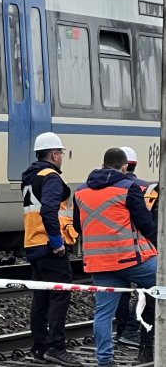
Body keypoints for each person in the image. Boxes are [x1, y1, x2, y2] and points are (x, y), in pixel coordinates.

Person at [74, 148, 158, 367]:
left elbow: (77, 226)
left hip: (99, 264)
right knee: (161, 286)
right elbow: (146, 225)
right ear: (124, 167)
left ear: (103, 164)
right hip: (132, 260)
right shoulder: (128, 188)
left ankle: (105, 361)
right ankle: (150, 346)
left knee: (102, 313)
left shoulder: (81, 191)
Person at [21, 132, 82, 367]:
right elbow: (49, 210)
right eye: (61, 153)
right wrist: (57, 242)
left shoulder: (30, 177)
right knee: (60, 293)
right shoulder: (52, 177)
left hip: (33, 242)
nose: (62, 158)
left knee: (41, 296)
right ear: (55, 154)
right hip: (49, 245)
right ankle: (56, 347)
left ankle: (39, 347)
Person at [112, 147, 146, 348]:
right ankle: (133, 330)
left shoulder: (111, 188)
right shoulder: (146, 187)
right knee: (147, 290)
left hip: (117, 248)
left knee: (121, 291)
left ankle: (123, 330)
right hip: (142, 248)